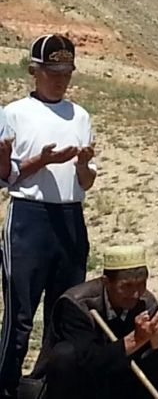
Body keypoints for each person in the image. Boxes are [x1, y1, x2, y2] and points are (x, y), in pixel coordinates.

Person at [0, 34, 96, 398]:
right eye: (53, 72)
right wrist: (42, 161)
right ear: (34, 71)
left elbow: (86, 181)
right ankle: (6, 383)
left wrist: (83, 164)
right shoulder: (14, 114)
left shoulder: (80, 115)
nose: (60, 80)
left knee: (65, 311)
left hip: (70, 215)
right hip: (29, 216)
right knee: (20, 313)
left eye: (66, 73)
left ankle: (49, 386)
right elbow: (5, 175)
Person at [33, 245, 158, 399]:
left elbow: (148, 359)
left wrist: (155, 342)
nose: (135, 294)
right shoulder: (76, 304)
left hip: (120, 381)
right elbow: (88, 361)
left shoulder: (146, 303)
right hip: (83, 385)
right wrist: (135, 340)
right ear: (106, 282)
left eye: (141, 284)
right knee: (65, 354)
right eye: (126, 286)